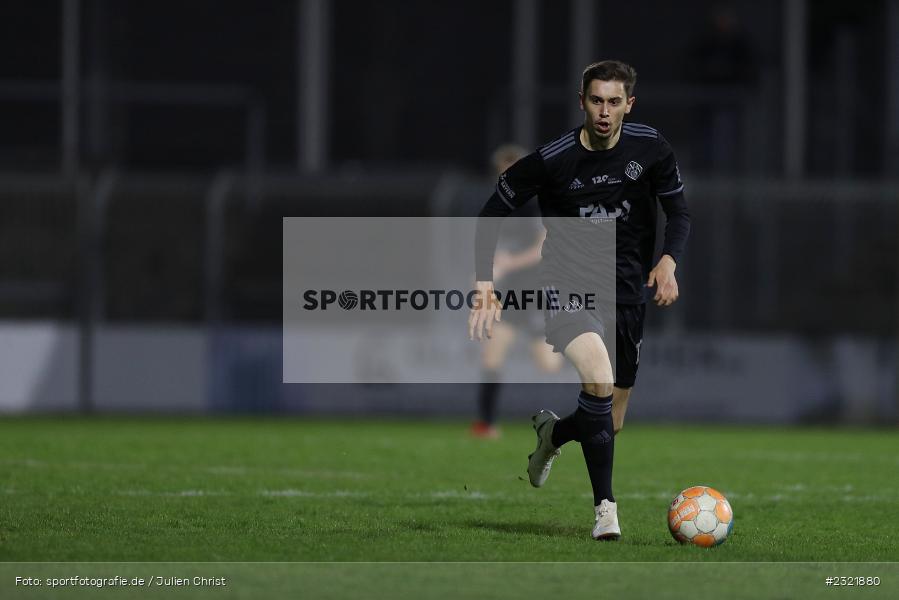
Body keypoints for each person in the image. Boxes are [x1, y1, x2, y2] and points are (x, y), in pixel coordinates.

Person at [468, 60, 690, 540]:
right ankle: (605, 509)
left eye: (614, 102)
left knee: (610, 420)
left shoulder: (651, 147)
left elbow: (679, 212)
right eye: (596, 101)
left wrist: (669, 260)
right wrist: (484, 282)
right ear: (582, 102)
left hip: (627, 292)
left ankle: (554, 435)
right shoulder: (554, 159)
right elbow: (491, 213)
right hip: (568, 284)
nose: (605, 112)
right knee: (598, 379)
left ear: (629, 104)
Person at [472, 144, 564, 439]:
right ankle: (486, 425)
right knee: (491, 357)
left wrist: (507, 263)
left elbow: (542, 246)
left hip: (537, 291)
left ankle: (587, 354)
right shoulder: (500, 206)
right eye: (502, 174)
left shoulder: (537, 203)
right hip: (509, 293)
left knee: (549, 365)